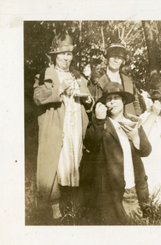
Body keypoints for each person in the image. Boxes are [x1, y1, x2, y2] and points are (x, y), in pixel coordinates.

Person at [33, 33, 93, 221]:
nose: (67, 58)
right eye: (62, 54)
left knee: (75, 161)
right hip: (57, 125)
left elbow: (87, 99)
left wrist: (89, 100)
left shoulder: (77, 75)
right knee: (54, 162)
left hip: (76, 125)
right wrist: (59, 89)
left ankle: (74, 205)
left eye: (69, 54)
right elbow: (38, 97)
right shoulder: (46, 73)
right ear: (55, 56)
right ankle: (55, 208)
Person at [83, 82, 152, 225]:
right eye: (108, 99)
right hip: (109, 191)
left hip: (132, 187)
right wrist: (99, 120)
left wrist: (135, 137)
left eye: (116, 98)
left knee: (136, 227)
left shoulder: (132, 121)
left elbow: (146, 151)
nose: (112, 101)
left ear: (123, 101)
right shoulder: (102, 123)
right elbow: (91, 144)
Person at [95, 43, 146, 116]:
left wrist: (136, 117)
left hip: (128, 120)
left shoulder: (128, 81)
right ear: (108, 58)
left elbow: (135, 102)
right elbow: (97, 104)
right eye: (113, 56)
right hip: (108, 122)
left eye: (119, 58)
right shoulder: (99, 81)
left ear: (123, 61)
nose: (116, 60)